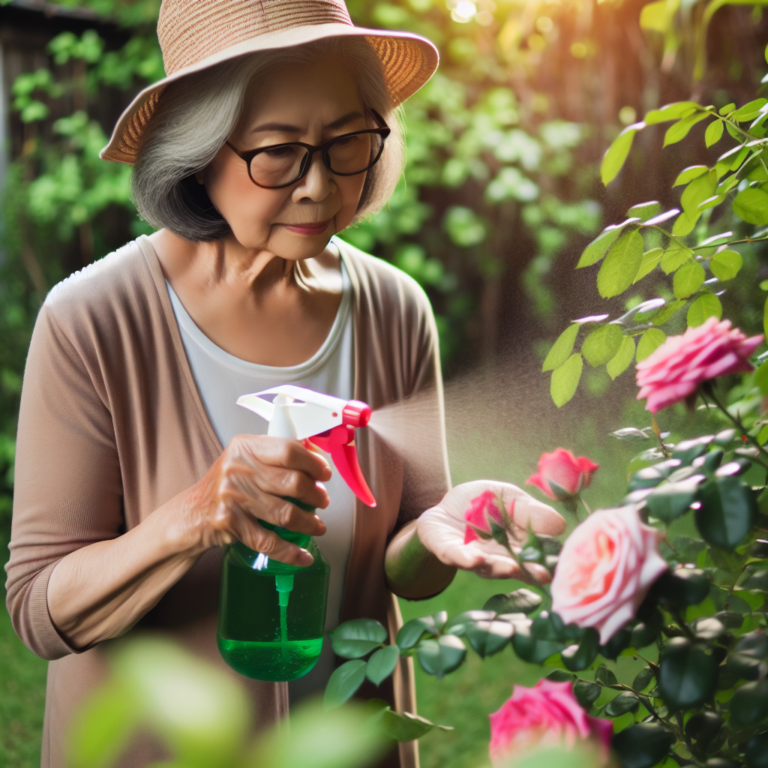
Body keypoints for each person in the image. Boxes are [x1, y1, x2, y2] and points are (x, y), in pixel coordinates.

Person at [5, 2, 565, 767]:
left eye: (348, 143)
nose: (318, 186)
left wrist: (444, 532)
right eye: (277, 153)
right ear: (197, 153)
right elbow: (39, 613)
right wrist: (197, 516)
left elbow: (406, 568)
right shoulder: (92, 320)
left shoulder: (395, 309)